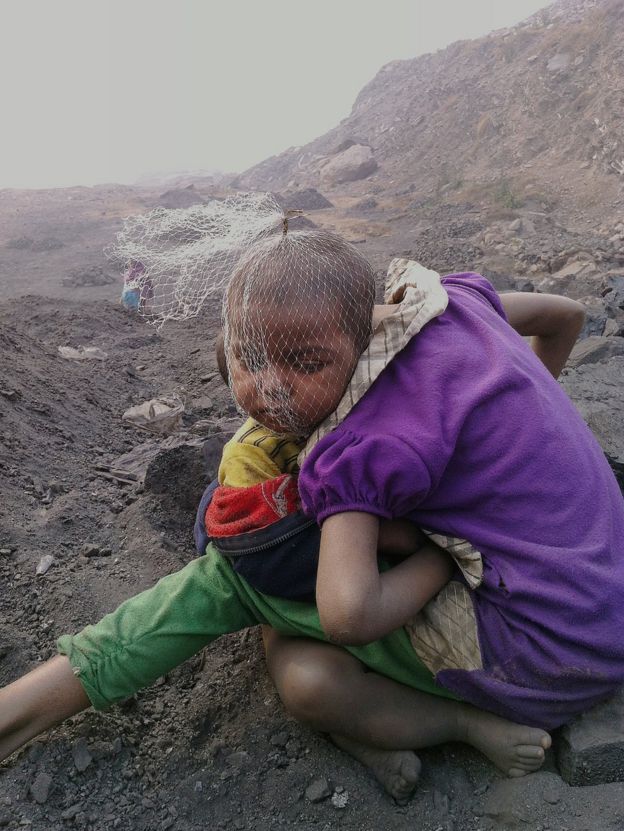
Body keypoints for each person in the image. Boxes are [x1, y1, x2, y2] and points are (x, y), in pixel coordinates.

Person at [2, 230, 620, 806]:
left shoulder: (360, 450)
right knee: (304, 667)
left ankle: (21, 712)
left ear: (358, 340)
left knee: (233, 580)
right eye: (248, 359)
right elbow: (564, 316)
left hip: (541, 651)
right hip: (599, 595)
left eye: (307, 363)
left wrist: (437, 556)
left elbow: (349, 616)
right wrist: (496, 435)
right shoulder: (453, 305)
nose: (270, 390)